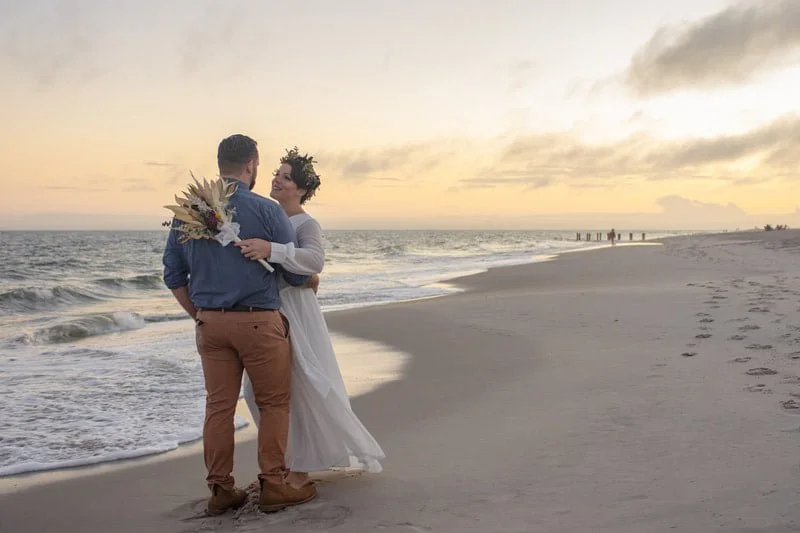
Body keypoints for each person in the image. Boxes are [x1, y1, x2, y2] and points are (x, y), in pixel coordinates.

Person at [162, 135, 317, 515]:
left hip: (211, 325)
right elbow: (292, 271)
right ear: (252, 164)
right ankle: (274, 484)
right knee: (274, 403)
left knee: (219, 407)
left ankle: (220, 489)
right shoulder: (265, 209)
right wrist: (308, 280)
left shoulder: (189, 213)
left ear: (219, 164)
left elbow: (173, 274)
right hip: (258, 322)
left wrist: (199, 314)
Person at [236, 147, 385, 489]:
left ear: (301, 190)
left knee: (300, 385)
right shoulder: (265, 217)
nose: (276, 179)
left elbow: (314, 262)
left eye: (286, 177)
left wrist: (271, 249)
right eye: (277, 173)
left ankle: (298, 468)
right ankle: (283, 462)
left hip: (297, 312)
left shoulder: (306, 223)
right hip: (267, 310)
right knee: (256, 391)